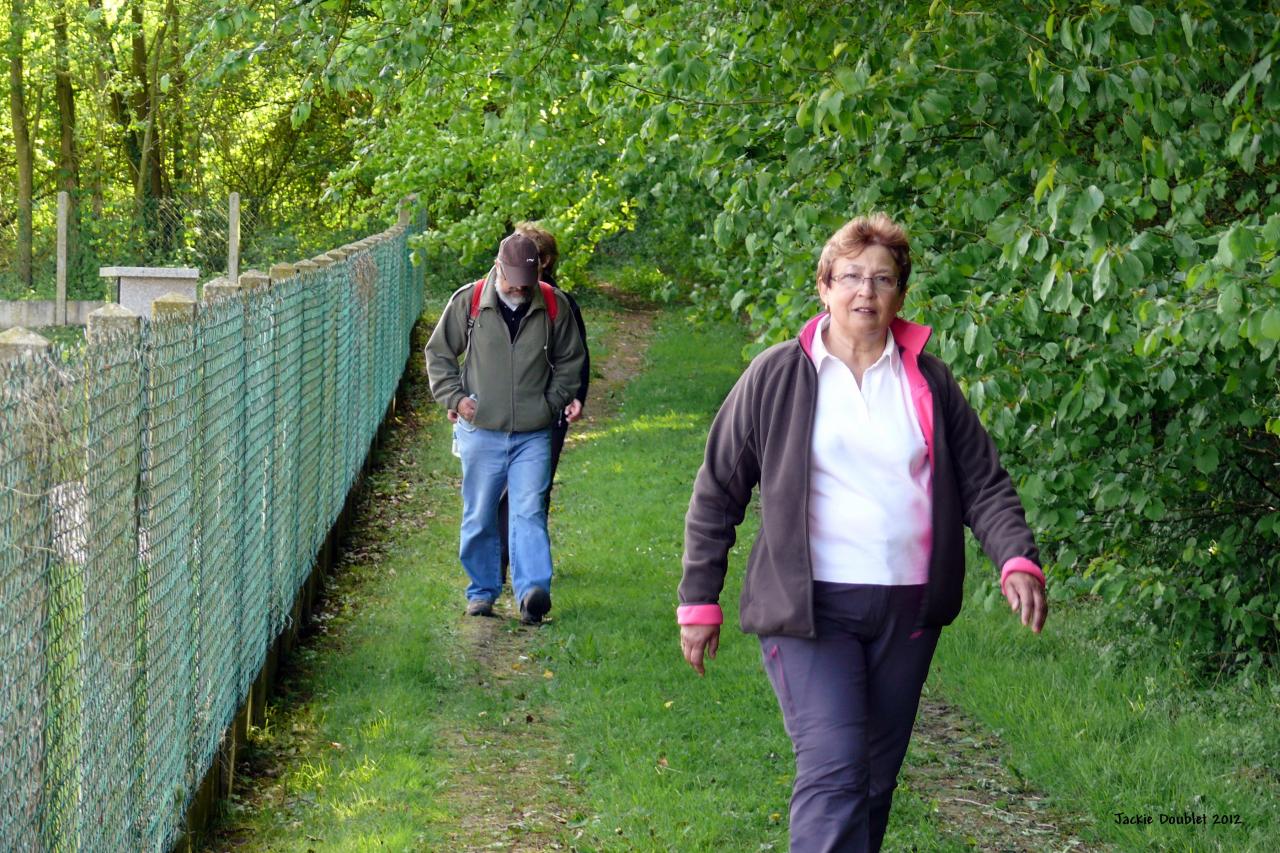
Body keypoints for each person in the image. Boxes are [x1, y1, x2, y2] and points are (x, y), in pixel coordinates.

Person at [677, 213, 1047, 852]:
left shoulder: (928, 380)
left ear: (900, 294)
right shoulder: (775, 375)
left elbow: (983, 481)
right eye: (850, 277)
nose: (865, 293)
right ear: (823, 286)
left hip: (907, 610)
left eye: (882, 279)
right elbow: (718, 490)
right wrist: (699, 600)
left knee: (872, 782)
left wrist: (1016, 558)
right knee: (835, 771)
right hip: (808, 609)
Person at [426, 232, 586, 624]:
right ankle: (482, 592)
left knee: (529, 510)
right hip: (481, 431)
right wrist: (455, 399)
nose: (519, 289)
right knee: (480, 514)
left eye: (526, 282)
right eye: (513, 280)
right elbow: (439, 353)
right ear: (498, 268)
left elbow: (572, 360)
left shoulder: (554, 304)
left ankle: (532, 594)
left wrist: (551, 402)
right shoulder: (469, 301)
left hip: (534, 433)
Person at [490, 223, 591, 578]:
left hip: (547, 411)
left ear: (544, 261)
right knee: (499, 487)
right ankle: (500, 560)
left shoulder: (559, 304)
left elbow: (576, 357)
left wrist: (573, 397)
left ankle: (525, 564)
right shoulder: (490, 299)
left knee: (534, 490)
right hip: (499, 411)